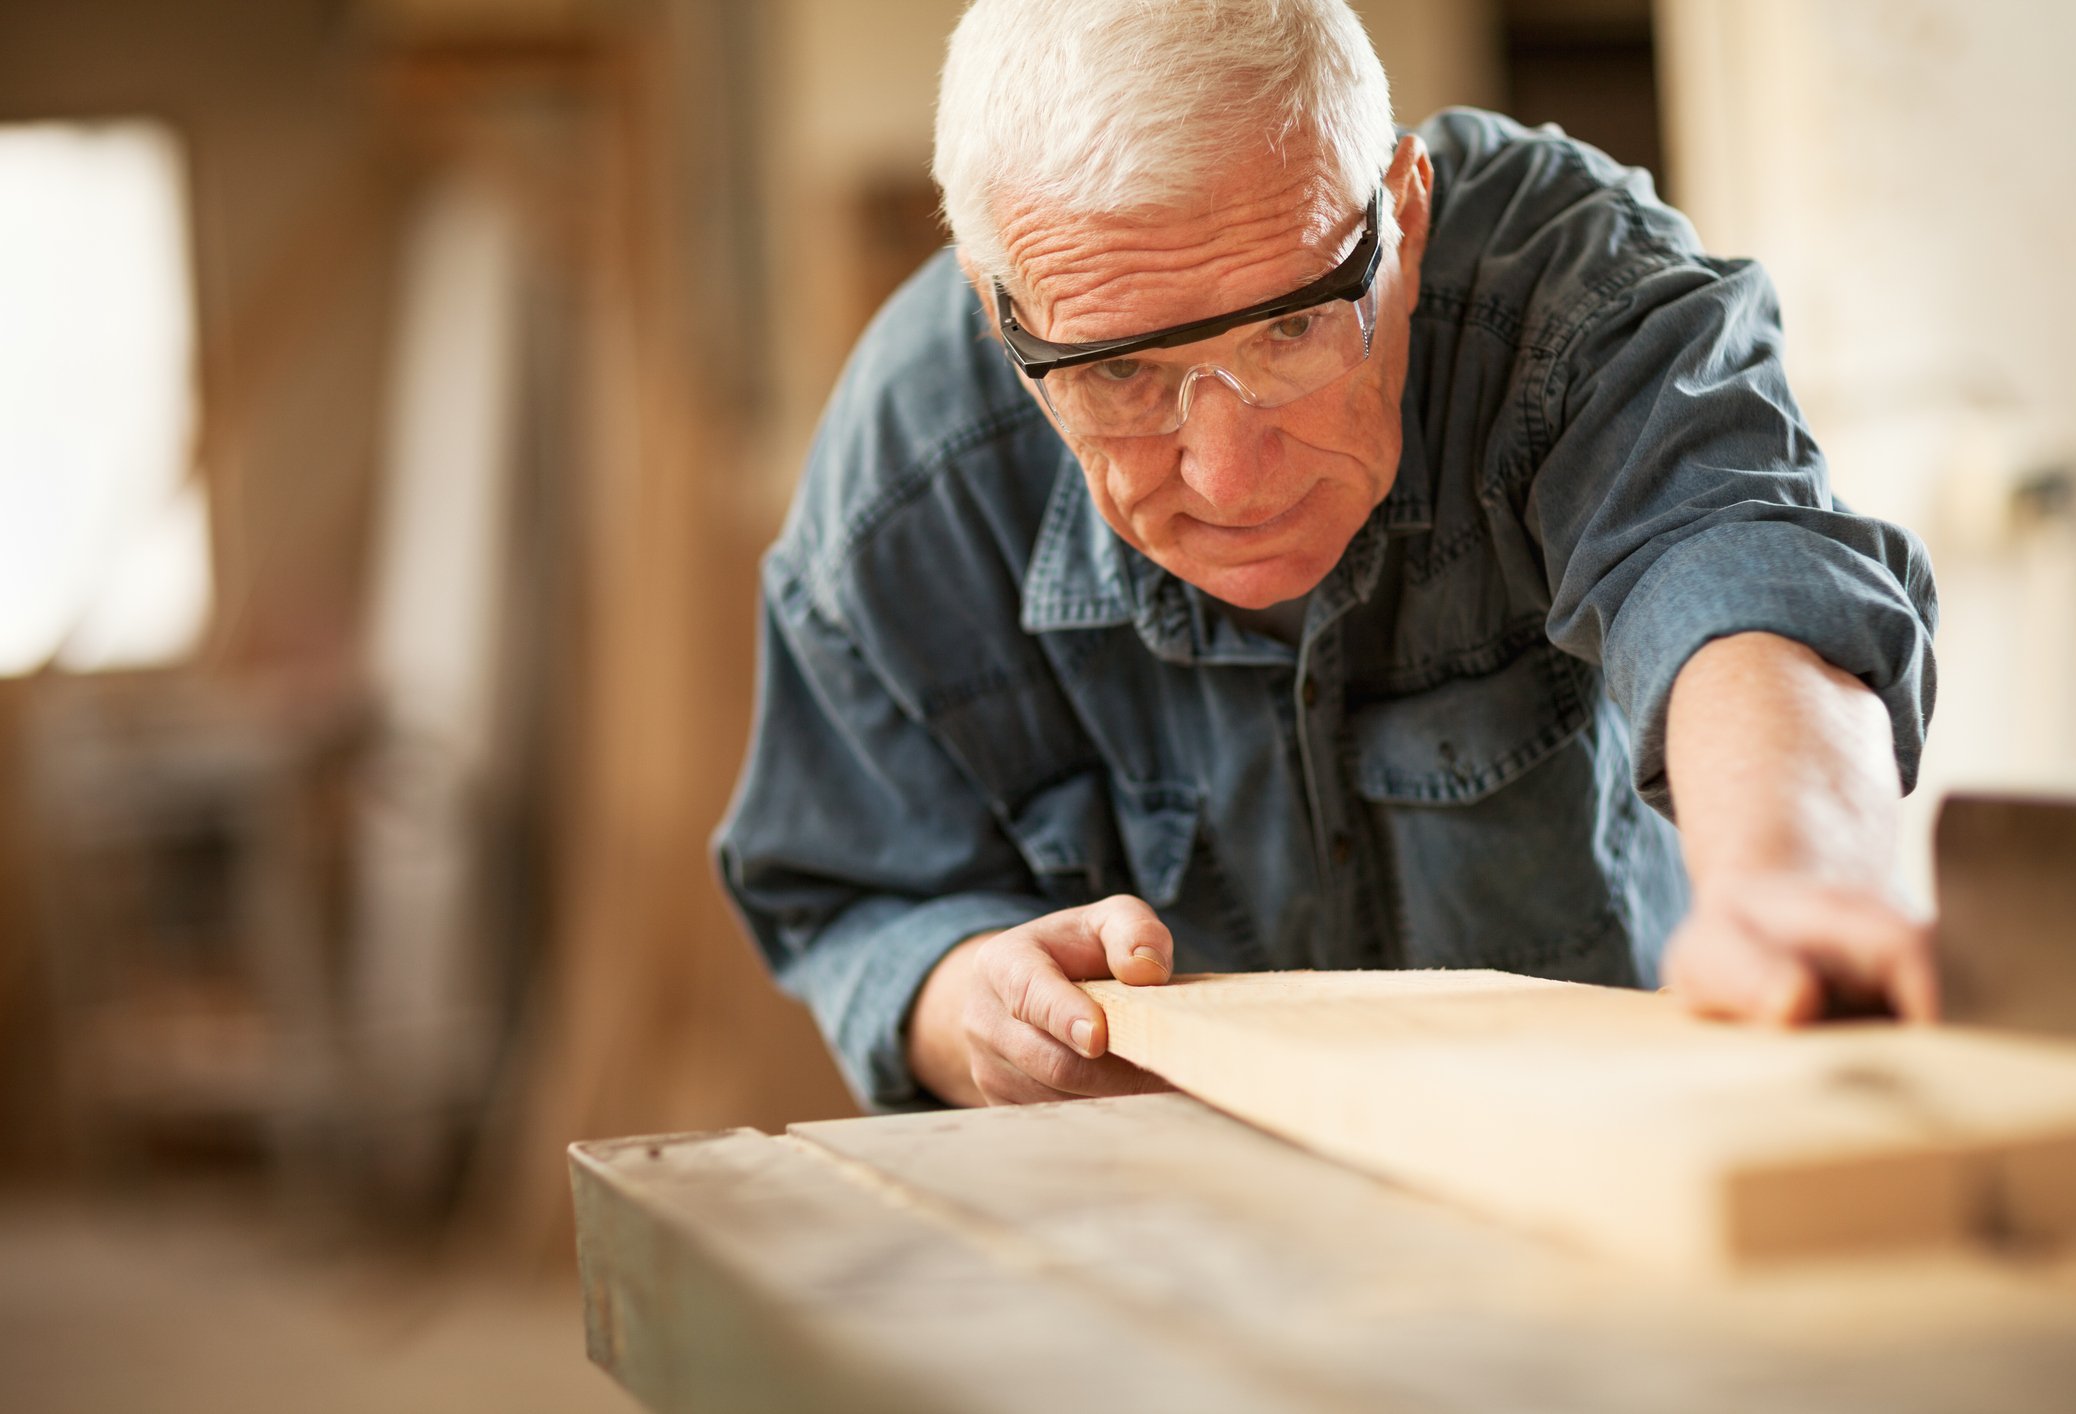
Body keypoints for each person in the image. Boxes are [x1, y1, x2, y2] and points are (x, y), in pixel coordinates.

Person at [716, 0, 1939, 1112]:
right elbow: (847, 895)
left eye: (1296, 322)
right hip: (1179, 1242)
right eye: (1120, 374)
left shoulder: (1567, 288)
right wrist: (963, 1002)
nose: (1230, 473)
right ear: (1002, 311)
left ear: (1400, 215)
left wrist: (1789, 886)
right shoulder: (905, 479)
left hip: (1614, 1151)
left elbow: (1732, 566)